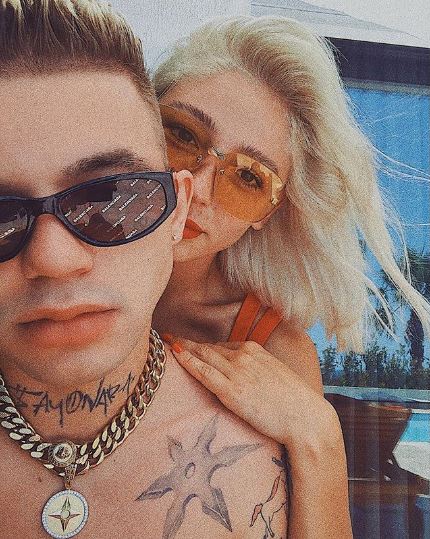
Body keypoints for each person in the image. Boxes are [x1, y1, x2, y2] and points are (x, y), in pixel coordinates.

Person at [0, 2, 305, 538]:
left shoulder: (258, 431)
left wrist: (319, 440)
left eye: (112, 197)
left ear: (173, 209)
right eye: (2, 215)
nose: (53, 258)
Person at [152, 14, 430, 538]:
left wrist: (319, 433)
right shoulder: (40, 262)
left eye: (248, 177)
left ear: (268, 213)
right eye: (182, 135)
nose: (199, 187)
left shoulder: (273, 347)